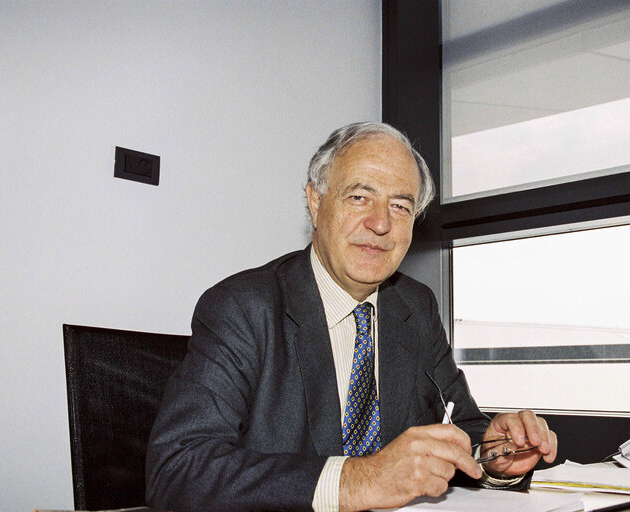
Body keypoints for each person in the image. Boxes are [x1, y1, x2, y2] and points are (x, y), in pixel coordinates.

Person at [145, 122, 558, 512]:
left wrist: (493, 453)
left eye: (400, 205)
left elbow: (459, 425)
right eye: (359, 197)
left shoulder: (416, 306)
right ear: (315, 200)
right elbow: (178, 469)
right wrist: (361, 480)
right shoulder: (243, 307)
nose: (381, 223)